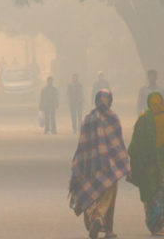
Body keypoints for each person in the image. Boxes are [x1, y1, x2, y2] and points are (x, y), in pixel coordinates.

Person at [69, 89, 130, 239]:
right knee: (109, 198)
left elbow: (82, 145)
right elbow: (118, 144)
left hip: (90, 167)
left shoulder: (88, 119)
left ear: (96, 101)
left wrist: (78, 165)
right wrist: (125, 164)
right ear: (110, 101)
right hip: (110, 168)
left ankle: (95, 219)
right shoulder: (113, 118)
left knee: (92, 195)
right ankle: (106, 227)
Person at [127, 92, 164, 235]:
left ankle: (156, 226)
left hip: (151, 167)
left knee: (153, 195)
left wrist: (133, 164)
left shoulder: (144, 119)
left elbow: (135, 146)